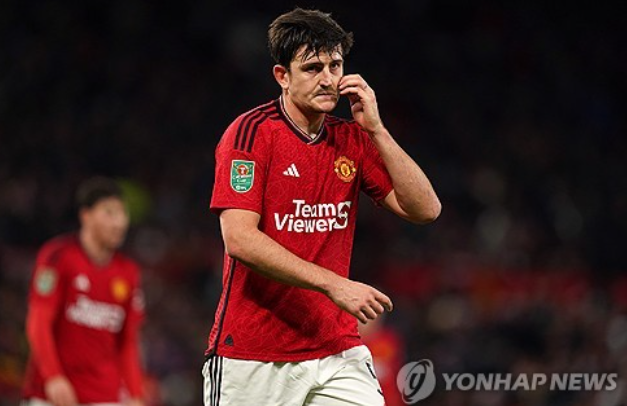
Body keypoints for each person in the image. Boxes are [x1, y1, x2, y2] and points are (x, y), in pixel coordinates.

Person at [204, 7, 441, 406]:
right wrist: (335, 285)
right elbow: (239, 239)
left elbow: (425, 209)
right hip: (254, 354)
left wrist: (377, 130)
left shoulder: (352, 139)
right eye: (313, 68)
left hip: (336, 349)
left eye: (335, 66)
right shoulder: (250, 134)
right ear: (282, 76)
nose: (328, 79)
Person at [22, 177, 145, 406]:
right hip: (52, 395)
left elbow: (128, 340)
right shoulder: (58, 257)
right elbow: (39, 322)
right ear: (86, 215)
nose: (119, 223)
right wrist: (53, 376)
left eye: (123, 214)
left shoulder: (129, 272)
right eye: (109, 213)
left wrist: (136, 394)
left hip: (105, 397)